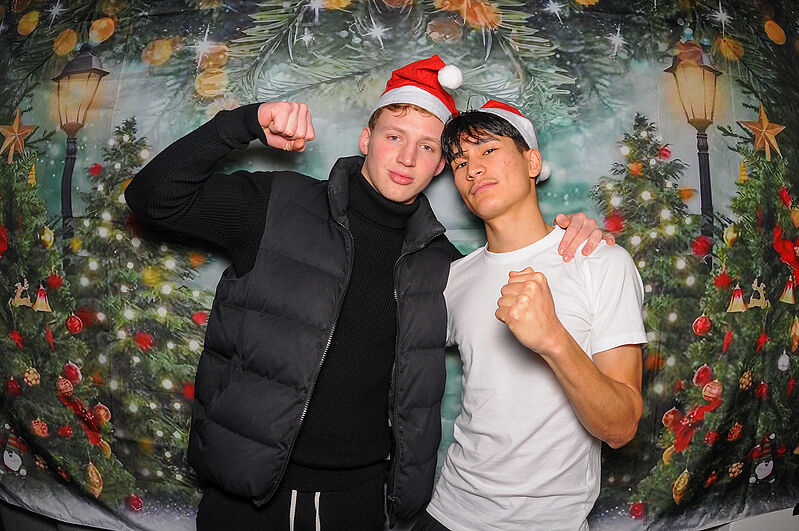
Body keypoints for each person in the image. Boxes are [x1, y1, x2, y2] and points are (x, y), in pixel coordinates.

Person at [125, 58, 609, 530]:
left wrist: (574, 238)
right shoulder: (278, 204)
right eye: (394, 136)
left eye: (426, 146)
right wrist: (244, 122)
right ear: (366, 139)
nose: (407, 158)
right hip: (244, 496)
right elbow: (152, 198)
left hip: (359, 502)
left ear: (440, 165)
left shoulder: (443, 264)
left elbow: (510, 290)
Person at [414, 101, 646, 531]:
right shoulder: (453, 279)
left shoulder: (599, 262)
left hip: (548, 522)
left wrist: (553, 339)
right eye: (460, 162)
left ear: (532, 162)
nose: (473, 169)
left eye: (488, 150)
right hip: (448, 513)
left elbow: (621, 426)